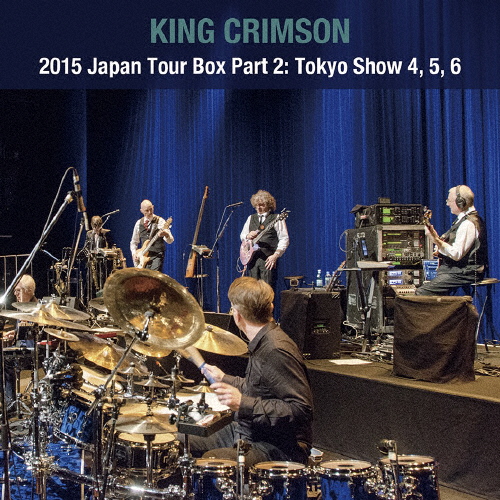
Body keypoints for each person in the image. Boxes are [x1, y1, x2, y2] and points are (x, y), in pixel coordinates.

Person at [189, 276, 313, 467]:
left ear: (237, 315)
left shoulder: (276, 350)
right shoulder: (263, 342)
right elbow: (260, 388)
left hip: (278, 446)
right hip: (249, 431)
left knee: (214, 462)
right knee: (181, 438)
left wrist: (243, 403)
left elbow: (301, 410)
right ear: (271, 307)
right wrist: (224, 378)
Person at [416, 185, 487, 295]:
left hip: (465, 272)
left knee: (421, 293)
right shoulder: (462, 221)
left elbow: (456, 254)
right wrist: (438, 242)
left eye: (449, 200)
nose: (447, 204)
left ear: (460, 202)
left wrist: (436, 240)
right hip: (458, 270)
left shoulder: (468, 223)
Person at [240, 190, 289, 290]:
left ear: (269, 205)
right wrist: (247, 236)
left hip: (268, 260)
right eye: (256, 205)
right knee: (252, 290)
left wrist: (275, 255)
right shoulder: (251, 218)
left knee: (266, 290)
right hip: (252, 260)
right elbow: (242, 235)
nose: (258, 208)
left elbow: (284, 239)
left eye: (261, 205)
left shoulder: (276, 218)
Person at [130, 199, 174, 272]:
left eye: (151, 209)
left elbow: (170, 240)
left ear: (153, 207)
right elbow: (134, 242)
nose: (149, 212)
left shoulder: (160, 221)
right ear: (141, 211)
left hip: (157, 255)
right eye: (146, 210)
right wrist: (134, 254)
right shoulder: (139, 223)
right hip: (143, 256)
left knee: (153, 276)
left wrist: (166, 235)